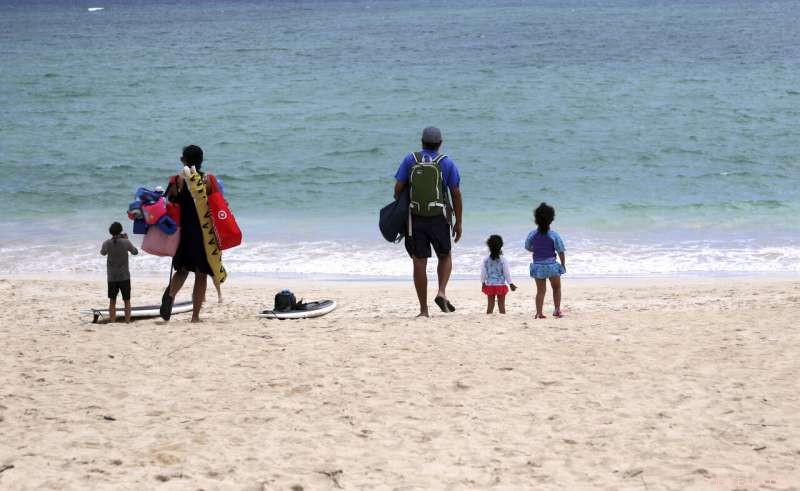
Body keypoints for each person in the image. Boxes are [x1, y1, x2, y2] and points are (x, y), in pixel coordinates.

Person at [393, 127, 463, 317]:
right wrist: (458, 222)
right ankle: (441, 291)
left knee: (419, 262)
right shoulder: (446, 163)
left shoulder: (410, 160)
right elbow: (456, 194)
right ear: (440, 143)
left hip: (415, 218)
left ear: (422, 142)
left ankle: (423, 310)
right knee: (445, 255)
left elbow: (397, 189)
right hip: (439, 217)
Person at [160, 145, 215, 323]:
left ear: (183, 160)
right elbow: (217, 205)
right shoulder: (207, 180)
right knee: (201, 274)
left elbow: (168, 204)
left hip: (183, 233)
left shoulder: (177, 181)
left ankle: (170, 294)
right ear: (201, 160)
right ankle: (195, 316)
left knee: (182, 270)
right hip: (203, 234)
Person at [524, 203, 566, 319]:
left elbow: (527, 246)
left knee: (540, 291)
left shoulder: (532, 234)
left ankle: (539, 313)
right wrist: (563, 264)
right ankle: (557, 310)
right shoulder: (554, 235)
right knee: (556, 288)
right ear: (551, 220)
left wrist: (535, 249)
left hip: (538, 266)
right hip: (552, 266)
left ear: (536, 219)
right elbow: (561, 250)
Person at [100, 222, 138, 323]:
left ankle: (113, 321)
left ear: (111, 232)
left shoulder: (106, 243)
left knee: (112, 301)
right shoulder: (126, 242)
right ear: (120, 231)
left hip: (112, 276)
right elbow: (135, 252)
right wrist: (127, 239)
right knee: (127, 300)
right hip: (124, 276)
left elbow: (102, 253)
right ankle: (127, 321)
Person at [481, 235, 517, 314]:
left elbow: (483, 272)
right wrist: (510, 283)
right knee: (501, 304)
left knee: (490, 304)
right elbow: (506, 273)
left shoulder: (485, 259)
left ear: (489, 246)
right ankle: (503, 317)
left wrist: (483, 282)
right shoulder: (503, 260)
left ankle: (488, 316)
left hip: (490, 285)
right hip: (500, 285)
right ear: (501, 246)